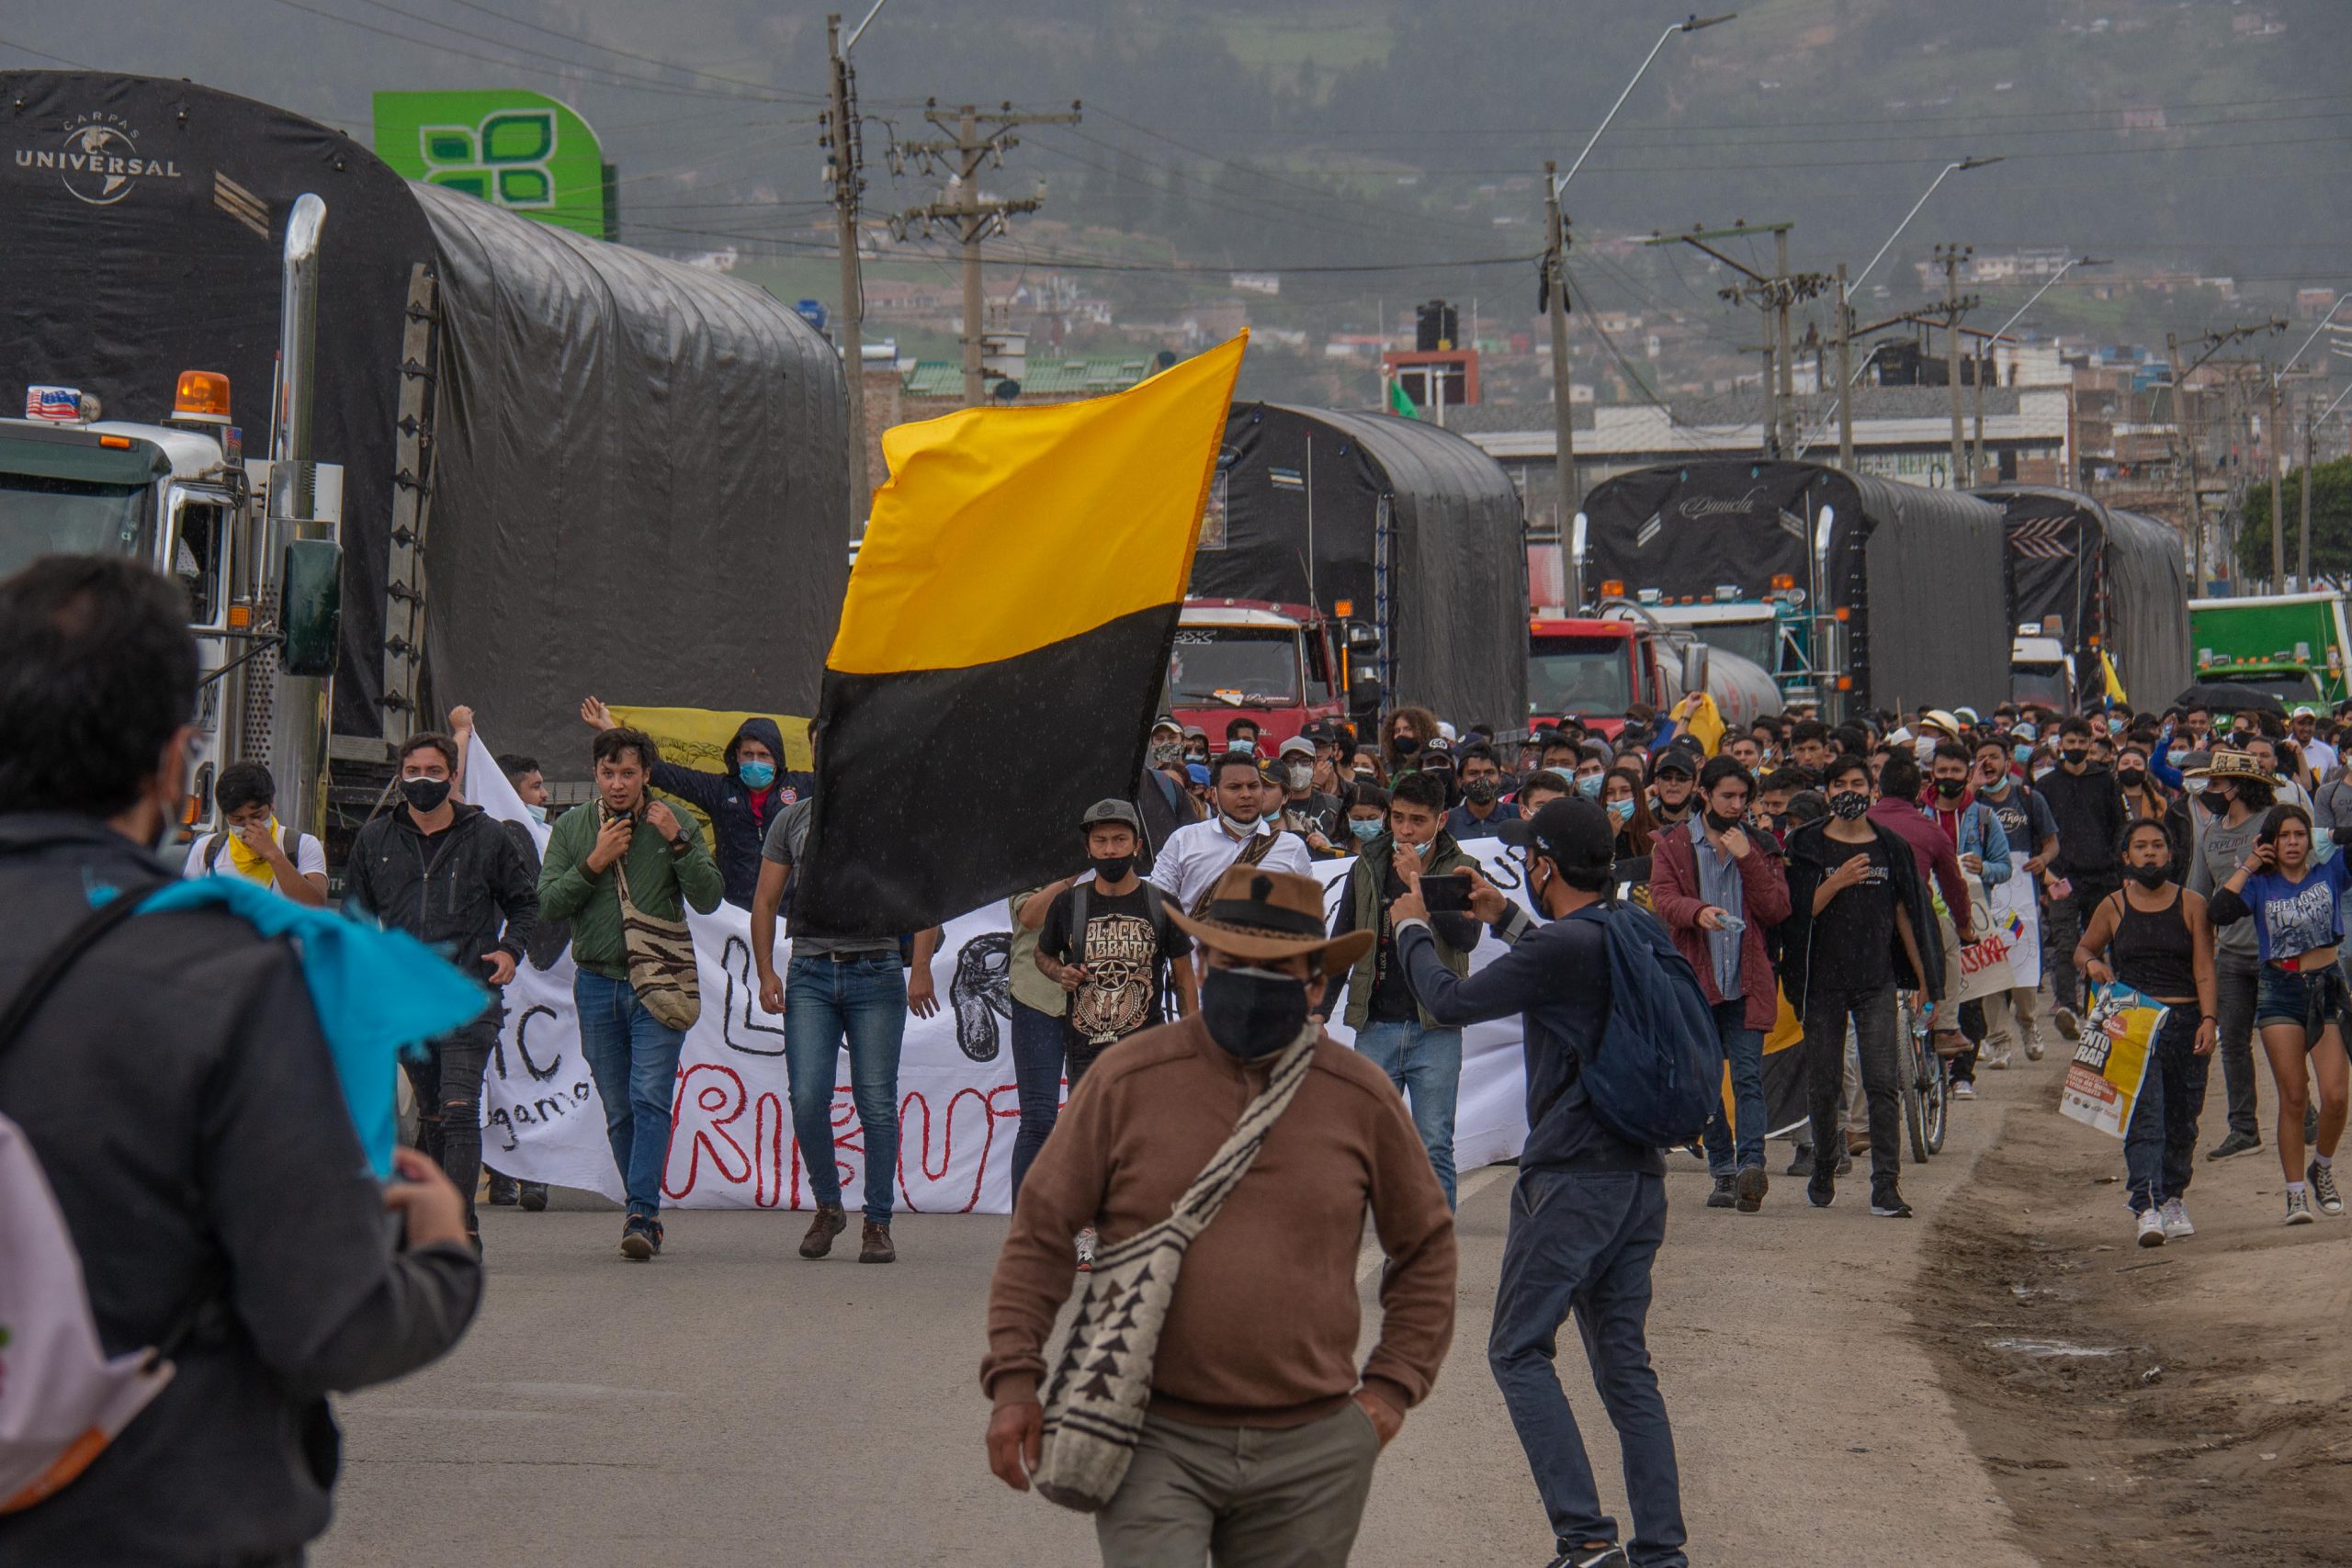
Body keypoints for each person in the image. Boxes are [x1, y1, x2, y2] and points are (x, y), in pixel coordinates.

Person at [0, 555, 479, 1564]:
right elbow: (328, 1323)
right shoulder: (233, 975)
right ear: (177, 764)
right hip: (161, 1516)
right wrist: (442, 1257)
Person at [981, 867, 1455, 1566]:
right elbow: (1041, 1231)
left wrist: (1388, 1391)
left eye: (1277, 968)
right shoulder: (1126, 1079)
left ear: (1316, 983)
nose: (1250, 979)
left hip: (1311, 1450)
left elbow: (1426, 1246)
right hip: (1152, 1436)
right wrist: (1015, 1380)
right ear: (1200, 964)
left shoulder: (1360, 1095)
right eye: (1232, 962)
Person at [1389, 797, 1694, 1568]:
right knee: (1624, 1364)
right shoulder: (1631, 926)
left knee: (1518, 1349)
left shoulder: (1565, 948)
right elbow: (1568, 966)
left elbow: (1449, 1000)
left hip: (1572, 1180)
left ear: (1547, 865)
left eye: (1531, 857)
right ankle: (1661, 1550)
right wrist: (1503, 916)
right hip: (1637, 1175)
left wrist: (1409, 926)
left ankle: (1586, 1538)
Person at [345, 731, 540, 1253]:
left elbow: (525, 903)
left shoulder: (489, 837)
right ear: (400, 777)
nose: (423, 782)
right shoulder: (375, 841)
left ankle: (459, 1228)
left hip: (469, 993)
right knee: (431, 1114)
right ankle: (437, 1220)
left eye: (434, 772)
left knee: (458, 1108)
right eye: (413, 772)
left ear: (453, 777)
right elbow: (356, 920)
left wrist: (510, 950)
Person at [538, 726, 726, 1260]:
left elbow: (710, 899)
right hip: (596, 982)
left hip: (657, 982)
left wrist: (680, 842)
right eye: (607, 773)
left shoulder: (674, 820)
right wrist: (594, 861)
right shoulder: (574, 827)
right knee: (619, 1107)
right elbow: (547, 904)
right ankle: (641, 1210)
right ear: (595, 774)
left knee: (649, 1097)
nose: (617, 784)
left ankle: (641, 1212)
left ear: (646, 774)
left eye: (628, 773)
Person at [750, 793, 942, 1265]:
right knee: (808, 1096)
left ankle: (878, 1222)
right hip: (811, 970)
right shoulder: (792, 819)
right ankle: (829, 1206)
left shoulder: (892, 812)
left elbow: (925, 895)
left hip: (876, 970)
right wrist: (765, 971)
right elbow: (765, 897)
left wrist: (920, 966)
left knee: (875, 1102)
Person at [1780, 754, 1940, 1217]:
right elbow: (1794, 915)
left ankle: (1886, 1186)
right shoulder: (1805, 843)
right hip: (1821, 984)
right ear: (1827, 791)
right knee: (1825, 1082)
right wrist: (1838, 881)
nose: (1849, 790)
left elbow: (1905, 912)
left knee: (1883, 1082)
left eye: (1858, 782)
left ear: (1872, 789)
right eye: (1840, 783)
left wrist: (1924, 978)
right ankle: (1825, 1164)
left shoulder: (1891, 845)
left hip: (1876, 983)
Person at [1325, 770, 1484, 1206]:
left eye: (1417, 820)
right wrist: (1318, 1012)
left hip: (1435, 1028)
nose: (1405, 830)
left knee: (1433, 1146)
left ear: (1441, 820)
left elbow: (1466, 939)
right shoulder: (1368, 863)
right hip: (1375, 1025)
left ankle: (1432, 1255)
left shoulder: (1462, 868)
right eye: (1398, 818)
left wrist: (1421, 886)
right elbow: (1344, 941)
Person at [1650, 756, 1791, 1213]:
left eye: (1742, 798)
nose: (1735, 805)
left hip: (1746, 980)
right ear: (1704, 794)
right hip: (1697, 980)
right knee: (1707, 1082)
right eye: (1726, 796)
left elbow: (1776, 910)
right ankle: (1723, 1172)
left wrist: (1749, 860)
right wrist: (1697, 912)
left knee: (1748, 1076)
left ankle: (1753, 1166)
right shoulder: (1674, 844)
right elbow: (1663, 899)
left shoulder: (1761, 845)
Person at [2071, 819, 2218, 1246]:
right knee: (2143, 1116)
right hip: (2133, 1024)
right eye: (2141, 846)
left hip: (2186, 1020)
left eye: (2157, 846)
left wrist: (2210, 1020)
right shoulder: (2113, 906)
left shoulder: (2192, 904)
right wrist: (2092, 964)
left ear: (2170, 854)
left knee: (2182, 1117)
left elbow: (2204, 969)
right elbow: (2084, 947)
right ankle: (2146, 1204)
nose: (2150, 853)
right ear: (2126, 856)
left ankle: (2173, 1196)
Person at [2206, 803, 2352, 1224]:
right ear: (2271, 842)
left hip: (2326, 985)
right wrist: (2251, 863)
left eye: (2300, 835)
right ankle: (2293, 1195)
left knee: (2337, 1096)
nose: (2292, 843)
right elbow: (2219, 911)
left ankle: (2321, 1167)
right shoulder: (2260, 884)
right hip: (2279, 990)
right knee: (2293, 1096)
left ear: (2310, 840)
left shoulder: (2331, 870)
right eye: (2284, 836)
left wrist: (2333, 835)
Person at [1035, 799, 1198, 1095]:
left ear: (1136, 845)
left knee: (1146, 1135)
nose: (1110, 850)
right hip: (1086, 1054)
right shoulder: (1068, 902)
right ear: (1088, 848)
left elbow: (1184, 975)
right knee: (1092, 1138)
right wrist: (1060, 973)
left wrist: (1192, 1038)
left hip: (1147, 1051)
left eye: (1119, 840)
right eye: (1101, 841)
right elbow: (1042, 953)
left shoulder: (1162, 904)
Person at [579, 698, 806, 911]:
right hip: (735, 912)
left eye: (763, 755)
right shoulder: (720, 790)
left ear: (777, 757)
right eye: (748, 754)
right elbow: (664, 773)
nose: (755, 762)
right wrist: (610, 729)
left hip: (790, 910)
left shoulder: (802, 787)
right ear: (737, 755)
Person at [2182, 751, 2278, 1162]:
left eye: (2216, 784)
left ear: (2238, 785)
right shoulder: (2210, 834)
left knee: (2285, 1040)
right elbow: (2198, 897)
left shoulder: (2273, 823)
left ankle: (2302, 1108)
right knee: (2234, 1044)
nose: (2210, 792)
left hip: (2277, 952)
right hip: (2232, 956)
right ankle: (2244, 1129)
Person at [1919, 742, 2012, 1096]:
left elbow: (2005, 868)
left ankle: (1963, 1075)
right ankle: (1929, 1067)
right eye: (1941, 772)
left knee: (1971, 1000)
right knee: (1930, 995)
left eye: (1955, 773)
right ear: (1932, 773)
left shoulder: (1985, 818)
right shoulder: (1919, 816)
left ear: (1967, 773)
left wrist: (1983, 867)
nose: (1947, 779)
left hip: (1971, 920)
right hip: (1929, 916)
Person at [484, 751, 554, 1214]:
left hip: (540, 975)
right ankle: (502, 1171)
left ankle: (537, 1172)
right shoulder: (481, 839)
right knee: (497, 1070)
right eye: (534, 787)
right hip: (498, 968)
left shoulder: (550, 838)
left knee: (538, 1071)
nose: (545, 795)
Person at [1149, 751, 1315, 932]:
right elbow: (1157, 906)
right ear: (1214, 792)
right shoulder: (1184, 841)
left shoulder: (1291, 847)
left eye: (1253, 786)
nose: (1246, 794)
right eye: (1234, 787)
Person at [1971, 733, 2060, 1069]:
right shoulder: (1972, 803)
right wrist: (1971, 787)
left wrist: (2044, 860)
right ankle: (1999, 1041)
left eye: (1994, 757)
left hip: (2019, 890)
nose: (1988, 764)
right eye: (1981, 758)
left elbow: (2052, 843)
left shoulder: (2029, 799)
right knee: (1989, 966)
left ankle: (2028, 1022)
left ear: (2008, 762)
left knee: (2022, 961)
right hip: (1982, 891)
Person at [2038, 717, 2126, 1031]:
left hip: (2102, 876)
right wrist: (2043, 877)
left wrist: (2120, 870)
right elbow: (2040, 834)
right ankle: (2067, 1007)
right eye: (2069, 742)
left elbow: (2119, 829)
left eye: (2081, 742)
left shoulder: (2105, 781)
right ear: (2059, 744)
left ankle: (2093, 1007)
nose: (2075, 748)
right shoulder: (2046, 785)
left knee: (2095, 945)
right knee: (2064, 943)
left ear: (2091, 744)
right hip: (2061, 877)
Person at [180, 760, 328, 906]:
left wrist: (273, 854)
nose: (248, 825)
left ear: (272, 804)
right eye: (237, 819)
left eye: (257, 816)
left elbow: (316, 905)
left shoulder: (302, 845)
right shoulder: (207, 850)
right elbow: (185, 910)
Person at [1005, 877, 1070, 1204]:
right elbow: (1030, 916)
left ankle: (1088, 1233)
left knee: (1094, 1121)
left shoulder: (1115, 857)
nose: (1107, 844)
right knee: (1038, 1119)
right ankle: (1026, 1236)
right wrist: (1073, 874)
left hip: (1099, 1000)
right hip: (1036, 998)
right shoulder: (1031, 850)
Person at [1274, 734, 1343, 856]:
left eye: (1304, 761)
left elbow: (1344, 845)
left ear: (1314, 764)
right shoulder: (1273, 806)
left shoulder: (1333, 805)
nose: (1297, 767)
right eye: (1290, 762)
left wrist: (1328, 847)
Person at [1446, 743, 1511, 840]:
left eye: (1489, 773)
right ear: (1460, 780)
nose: (1482, 779)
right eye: (1473, 773)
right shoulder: (1447, 824)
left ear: (1500, 778)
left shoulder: (1518, 816)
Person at [1647, 746, 1699, 828]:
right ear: (1656, 781)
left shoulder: (1702, 823)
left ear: (1694, 785)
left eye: (1681, 779)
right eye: (1667, 777)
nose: (1673, 783)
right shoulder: (1641, 818)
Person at [1383, 705, 1441, 776]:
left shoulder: (1431, 761)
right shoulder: (1388, 766)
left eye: (1408, 729)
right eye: (1397, 731)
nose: (1401, 734)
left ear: (1422, 731)